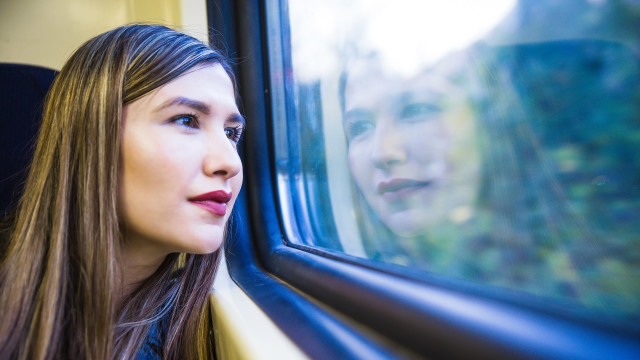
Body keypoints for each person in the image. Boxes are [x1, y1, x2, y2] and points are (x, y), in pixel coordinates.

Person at [0, 24, 244, 359]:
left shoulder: (202, 324)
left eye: (232, 133)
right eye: (186, 120)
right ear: (91, 137)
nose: (229, 162)